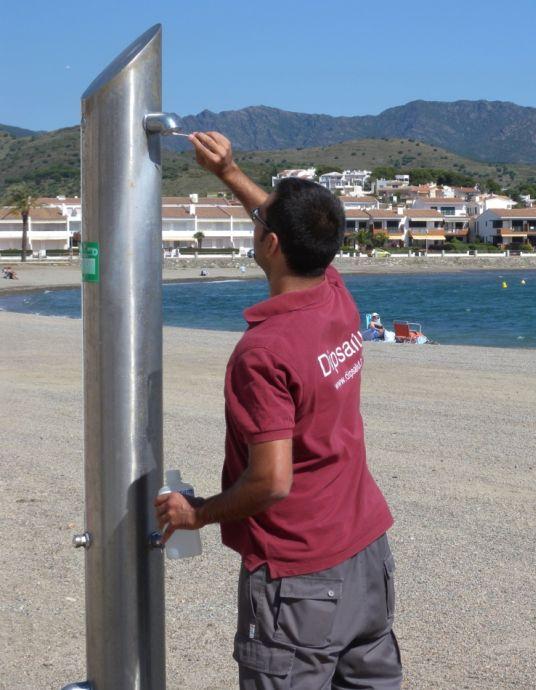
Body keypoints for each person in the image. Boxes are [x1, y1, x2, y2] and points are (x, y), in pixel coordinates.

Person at [154, 130, 401, 690]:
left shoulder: (263, 352)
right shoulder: (335, 293)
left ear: (269, 245)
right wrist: (229, 173)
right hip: (366, 554)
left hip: (299, 577)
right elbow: (284, 224)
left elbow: (270, 482)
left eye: (263, 223)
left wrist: (198, 513)